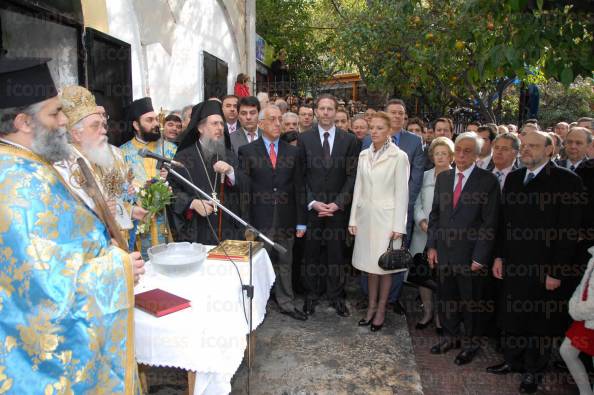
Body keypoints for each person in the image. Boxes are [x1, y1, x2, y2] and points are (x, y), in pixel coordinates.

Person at [0, 57, 144, 393]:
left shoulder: (27, 165)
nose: (64, 121)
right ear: (23, 121)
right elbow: (46, 290)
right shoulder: (20, 182)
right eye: (54, 113)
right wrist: (120, 267)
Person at [488, 131, 583, 394]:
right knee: (513, 315)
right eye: (525, 146)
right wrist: (499, 256)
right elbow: (504, 222)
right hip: (514, 263)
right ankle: (512, 360)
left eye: (533, 146)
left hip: (545, 267)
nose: (526, 150)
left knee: (540, 321)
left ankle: (534, 370)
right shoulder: (516, 178)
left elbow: (568, 232)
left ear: (550, 150)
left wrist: (556, 272)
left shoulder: (567, 181)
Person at [426, 131, 500, 366]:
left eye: (468, 151)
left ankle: (470, 344)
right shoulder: (444, 178)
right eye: (458, 149)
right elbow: (435, 215)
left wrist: (480, 257)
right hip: (445, 254)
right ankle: (450, 338)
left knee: (470, 303)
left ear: (477, 155)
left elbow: (490, 223)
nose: (461, 155)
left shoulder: (487, 181)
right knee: (447, 299)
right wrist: (432, 246)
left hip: (471, 257)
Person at [55, 85, 147, 248]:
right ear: (76, 134)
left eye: (103, 125)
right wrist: (99, 213)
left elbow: (116, 197)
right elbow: (63, 223)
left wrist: (130, 210)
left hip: (121, 248)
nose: (103, 131)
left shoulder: (104, 155)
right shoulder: (63, 168)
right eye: (95, 126)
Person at [239, 105, 307, 321]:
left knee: (285, 264)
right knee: (260, 265)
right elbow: (245, 191)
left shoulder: (293, 152)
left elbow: (299, 188)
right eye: (272, 119)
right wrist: (246, 223)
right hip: (260, 221)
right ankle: (260, 304)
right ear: (260, 124)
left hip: (287, 220)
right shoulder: (248, 152)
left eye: (280, 119)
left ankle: (287, 302)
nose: (278, 124)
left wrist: (301, 223)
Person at [299, 94, 360, 317]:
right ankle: (311, 295)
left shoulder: (349, 140)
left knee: (336, 254)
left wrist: (338, 203)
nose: (325, 112)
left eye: (330, 109)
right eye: (322, 108)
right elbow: (301, 175)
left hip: (337, 210)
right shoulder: (304, 139)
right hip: (314, 208)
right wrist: (312, 201)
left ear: (336, 112)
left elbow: (353, 176)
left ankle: (336, 296)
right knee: (311, 254)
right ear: (316, 111)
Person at [362, 99, 424, 312]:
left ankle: (390, 301)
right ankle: (369, 302)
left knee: (391, 261)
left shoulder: (413, 144)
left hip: (395, 215)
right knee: (370, 262)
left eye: (401, 113)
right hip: (370, 216)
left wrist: (404, 212)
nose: (398, 116)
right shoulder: (367, 144)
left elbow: (413, 180)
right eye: (393, 112)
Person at [349, 111, 409, 331]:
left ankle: (382, 309)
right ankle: (371, 307)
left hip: (387, 221)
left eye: (379, 128)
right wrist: (353, 217)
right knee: (368, 266)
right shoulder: (364, 154)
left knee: (384, 267)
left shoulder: (399, 156)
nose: (374, 131)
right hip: (365, 219)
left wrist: (398, 227)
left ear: (389, 130)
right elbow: (358, 187)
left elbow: (402, 193)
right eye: (372, 127)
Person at [169, 100, 242, 245]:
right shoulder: (183, 158)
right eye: (214, 123)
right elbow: (171, 192)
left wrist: (231, 172)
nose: (220, 128)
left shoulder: (229, 155)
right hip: (197, 231)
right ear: (200, 128)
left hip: (229, 231)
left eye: (222, 124)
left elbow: (245, 185)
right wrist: (192, 203)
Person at [120, 97, 177, 256]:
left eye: (156, 120)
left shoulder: (170, 150)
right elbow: (119, 190)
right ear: (136, 125)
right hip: (138, 221)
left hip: (167, 219)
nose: (156, 124)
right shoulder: (121, 153)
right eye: (149, 120)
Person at [410, 137, 454, 332]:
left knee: (441, 278)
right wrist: (421, 220)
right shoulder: (425, 175)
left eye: (444, 153)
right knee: (423, 275)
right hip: (422, 233)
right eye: (437, 153)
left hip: (444, 237)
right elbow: (417, 202)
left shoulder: (456, 178)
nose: (440, 157)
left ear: (451, 156)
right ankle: (427, 313)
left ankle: (440, 317)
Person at [561, 247, 594, 395]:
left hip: (587, 314)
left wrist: (578, 311)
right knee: (567, 351)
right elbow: (583, 285)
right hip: (586, 317)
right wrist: (574, 304)